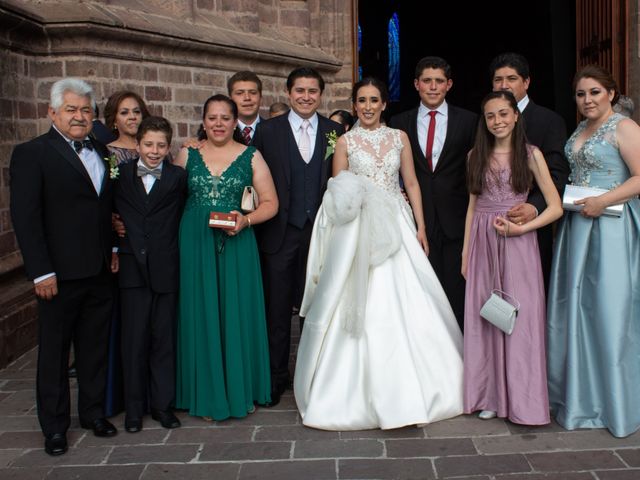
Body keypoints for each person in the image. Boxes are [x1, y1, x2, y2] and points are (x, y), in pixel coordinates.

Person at [294, 77, 463, 430]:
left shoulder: (398, 138)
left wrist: (419, 227)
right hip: (357, 228)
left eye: (374, 100)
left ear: (384, 104)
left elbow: (411, 183)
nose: (368, 107)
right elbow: (337, 191)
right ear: (354, 106)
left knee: (408, 295)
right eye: (361, 101)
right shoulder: (344, 142)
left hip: (397, 223)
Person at [10, 78, 117, 456]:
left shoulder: (103, 152)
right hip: (58, 274)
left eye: (86, 110)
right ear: (52, 112)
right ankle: (54, 426)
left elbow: (108, 209)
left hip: (101, 271)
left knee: (94, 348)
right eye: (71, 109)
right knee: (54, 354)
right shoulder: (31, 154)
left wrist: (115, 248)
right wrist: (41, 271)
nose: (79, 116)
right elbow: (26, 217)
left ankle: (91, 413)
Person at [547, 65, 640, 438]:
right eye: (581, 94)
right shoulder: (580, 129)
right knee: (579, 312)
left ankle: (616, 402)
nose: (587, 100)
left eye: (595, 92)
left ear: (611, 94)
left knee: (609, 311)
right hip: (579, 226)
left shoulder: (625, 127)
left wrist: (603, 201)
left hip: (613, 226)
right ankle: (583, 399)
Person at [174, 94, 278, 420]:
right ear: (203, 122)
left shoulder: (251, 156)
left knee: (235, 311)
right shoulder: (187, 154)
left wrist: (246, 220)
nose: (218, 124)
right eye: (212, 118)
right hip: (194, 243)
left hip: (237, 244)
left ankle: (237, 389)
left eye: (225, 118)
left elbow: (270, 202)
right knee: (199, 312)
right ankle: (204, 393)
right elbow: (167, 199)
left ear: (236, 122)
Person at [462, 91, 562, 424]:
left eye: (503, 114)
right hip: (483, 238)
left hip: (518, 242)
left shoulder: (531, 155)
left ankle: (522, 399)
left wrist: (524, 229)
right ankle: (490, 394)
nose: (498, 121)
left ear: (515, 116)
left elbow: (555, 206)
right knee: (488, 317)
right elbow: (472, 207)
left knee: (519, 316)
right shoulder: (476, 154)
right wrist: (466, 252)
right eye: (491, 116)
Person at [253, 67, 344, 407]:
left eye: (312, 91)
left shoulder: (335, 131)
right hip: (279, 232)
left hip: (319, 232)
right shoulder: (268, 131)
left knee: (316, 306)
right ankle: (277, 377)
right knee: (277, 309)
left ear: (321, 95)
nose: (306, 96)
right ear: (289, 93)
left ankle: (313, 374)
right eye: (300, 90)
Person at [389, 56, 478, 328]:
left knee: (455, 292)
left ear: (449, 85)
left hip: (456, 217)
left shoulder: (469, 120)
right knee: (420, 291)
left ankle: (460, 358)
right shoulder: (398, 121)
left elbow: (477, 168)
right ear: (416, 84)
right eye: (427, 81)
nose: (433, 86)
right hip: (416, 219)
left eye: (439, 81)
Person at [112, 116, 187, 433]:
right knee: (133, 341)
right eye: (148, 144)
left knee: (163, 340)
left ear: (168, 147)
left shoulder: (178, 177)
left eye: (160, 145)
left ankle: (162, 405)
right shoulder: (120, 175)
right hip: (131, 269)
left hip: (166, 268)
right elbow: (107, 211)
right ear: (137, 145)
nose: (154, 151)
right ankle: (133, 408)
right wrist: (114, 238)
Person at [489, 53, 570, 291]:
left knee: (529, 292)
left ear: (526, 82)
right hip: (491, 224)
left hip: (531, 224)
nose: (504, 85)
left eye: (511, 78)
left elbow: (559, 175)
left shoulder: (549, 121)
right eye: (498, 79)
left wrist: (533, 207)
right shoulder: (487, 120)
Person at [104, 91, 150, 164]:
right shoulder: (106, 153)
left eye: (137, 111)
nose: (132, 117)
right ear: (114, 120)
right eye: (124, 113)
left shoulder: (155, 147)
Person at [228, 71, 265, 145]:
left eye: (253, 92)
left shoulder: (275, 131)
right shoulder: (223, 132)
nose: (247, 98)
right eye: (239, 93)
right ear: (230, 99)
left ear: (260, 98)